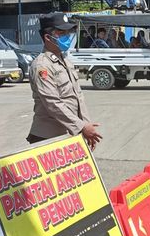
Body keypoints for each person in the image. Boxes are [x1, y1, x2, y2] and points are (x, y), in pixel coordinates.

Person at [27, 12, 102, 150]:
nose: (67, 36)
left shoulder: (65, 60)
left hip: (70, 133)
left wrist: (85, 125)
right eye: (61, 33)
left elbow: (78, 96)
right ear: (47, 37)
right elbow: (52, 103)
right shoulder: (42, 66)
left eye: (68, 32)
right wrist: (81, 127)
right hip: (48, 138)